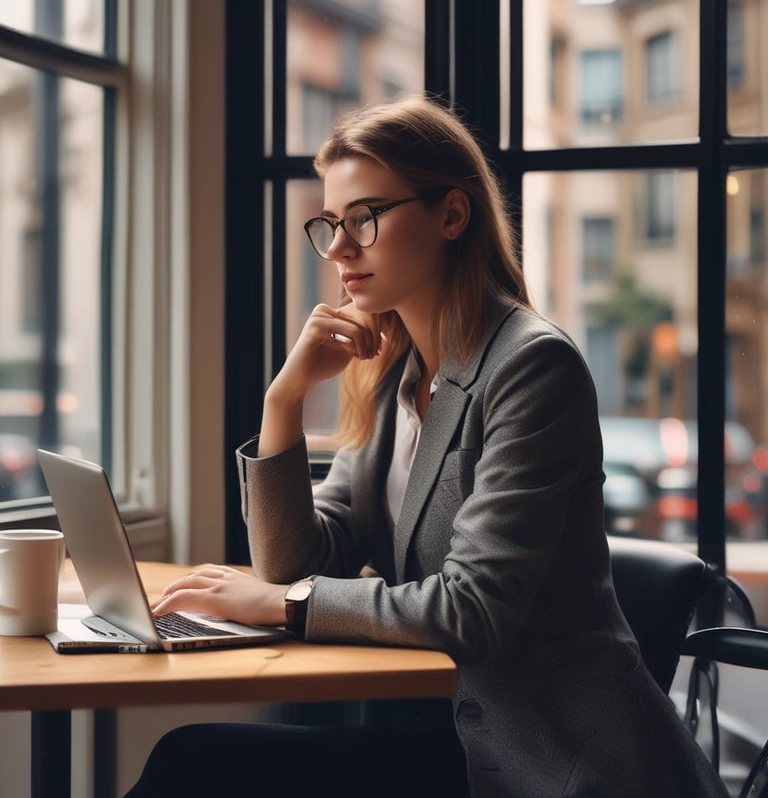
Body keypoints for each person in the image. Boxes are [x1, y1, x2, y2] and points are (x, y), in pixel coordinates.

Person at [124, 95, 728, 798]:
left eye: (365, 218)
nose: (342, 248)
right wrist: (283, 401)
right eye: (331, 225)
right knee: (194, 758)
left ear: (451, 215)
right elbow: (298, 560)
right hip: (449, 742)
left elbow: (472, 610)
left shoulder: (533, 366)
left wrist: (279, 603)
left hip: (557, 762)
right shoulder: (395, 378)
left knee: (196, 765)